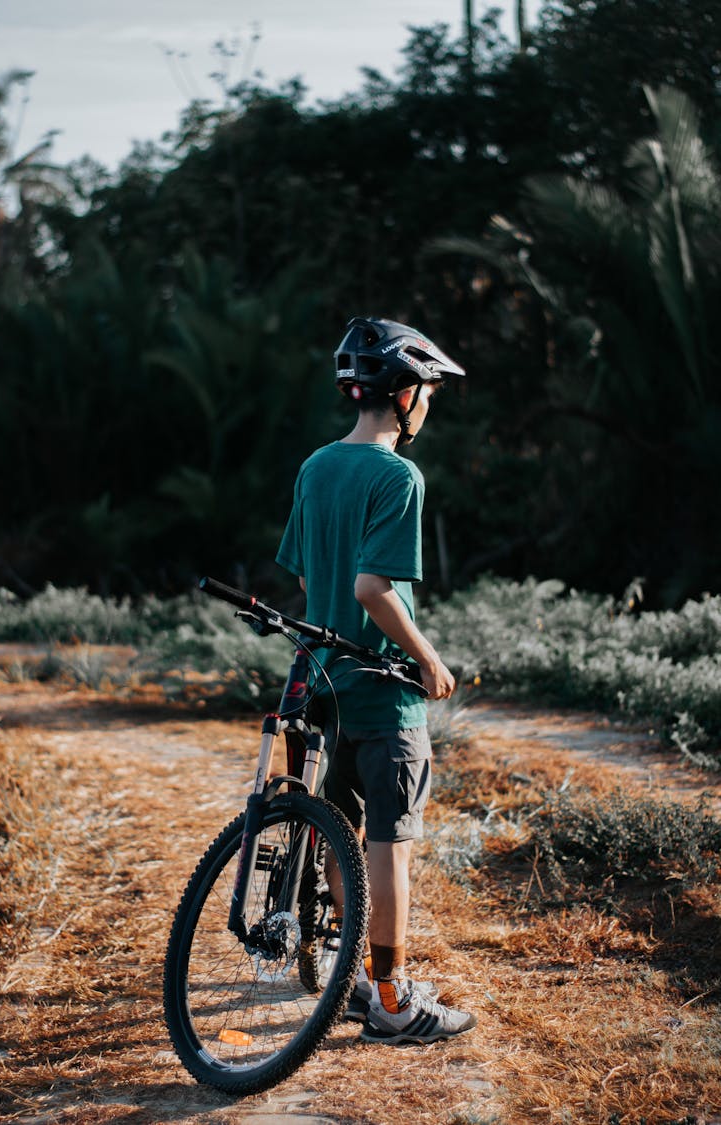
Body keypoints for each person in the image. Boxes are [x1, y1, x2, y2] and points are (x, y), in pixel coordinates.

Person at [276, 315, 476, 1045]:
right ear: (404, 393)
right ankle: (391, 999)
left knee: (342, 832)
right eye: (429, 391)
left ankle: (351, 977)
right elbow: (371, 587)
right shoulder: (399, 476)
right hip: (383, 694)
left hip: (325, 682)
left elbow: (308, 573)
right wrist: (427, 657)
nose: (430, 404)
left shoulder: (316, 466)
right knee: (391, 846)